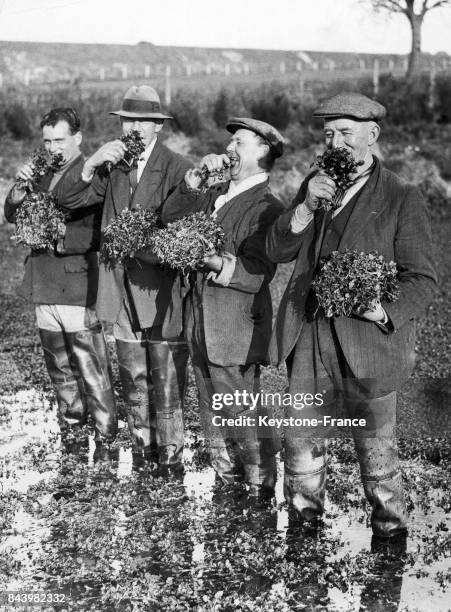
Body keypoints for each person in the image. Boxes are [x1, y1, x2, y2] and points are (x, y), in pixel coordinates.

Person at [266, 93, 437, 537]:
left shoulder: (402, 196)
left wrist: (382, 310)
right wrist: (304, 206)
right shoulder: (316, 183)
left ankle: (389, 545)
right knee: (302, 452)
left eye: (345, 132)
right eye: (328, 134)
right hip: (308, 337)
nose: (335, 142)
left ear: (372, 135)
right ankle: (303, 541)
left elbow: (423, 279)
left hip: (369, 343)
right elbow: (277, 249)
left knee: (378, 461)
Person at [62, 85, 191, 472]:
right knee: (133, 376)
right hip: (118, 290)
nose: (134, 127)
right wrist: (89, 165)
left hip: (160, 290)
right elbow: (70, 201)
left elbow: (184, 227)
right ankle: (141, 454)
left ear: (158, 127)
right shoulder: (113, 166)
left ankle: (170, 464)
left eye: (142, 121)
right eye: (128, 120)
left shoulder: (178, 168)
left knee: (166, 381)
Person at [161, 117, 286, 497]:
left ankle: (260, 490)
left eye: (239, 142)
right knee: (212, 415)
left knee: (242, 415)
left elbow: (257, 274)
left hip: (234, 331)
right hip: (200, 326)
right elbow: (169, 218)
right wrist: (194, 181)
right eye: (230, 141)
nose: (229, 148)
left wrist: (211, 259)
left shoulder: (268, 207)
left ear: (262, 150)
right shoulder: (215, 193)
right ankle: (226, 485)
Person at [4, 107, 117, 446]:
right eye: (47, 141)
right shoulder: (40, 172)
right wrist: (20, 188)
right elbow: (11, 214)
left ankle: (106, 440)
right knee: (60, 371)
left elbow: (100, 232)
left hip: (77, 285)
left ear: (78, 138)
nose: (54, 148)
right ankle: (73, 437)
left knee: (92, 370)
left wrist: (57, 236)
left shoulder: (95, 174)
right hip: (43, 285)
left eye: (60, 140)